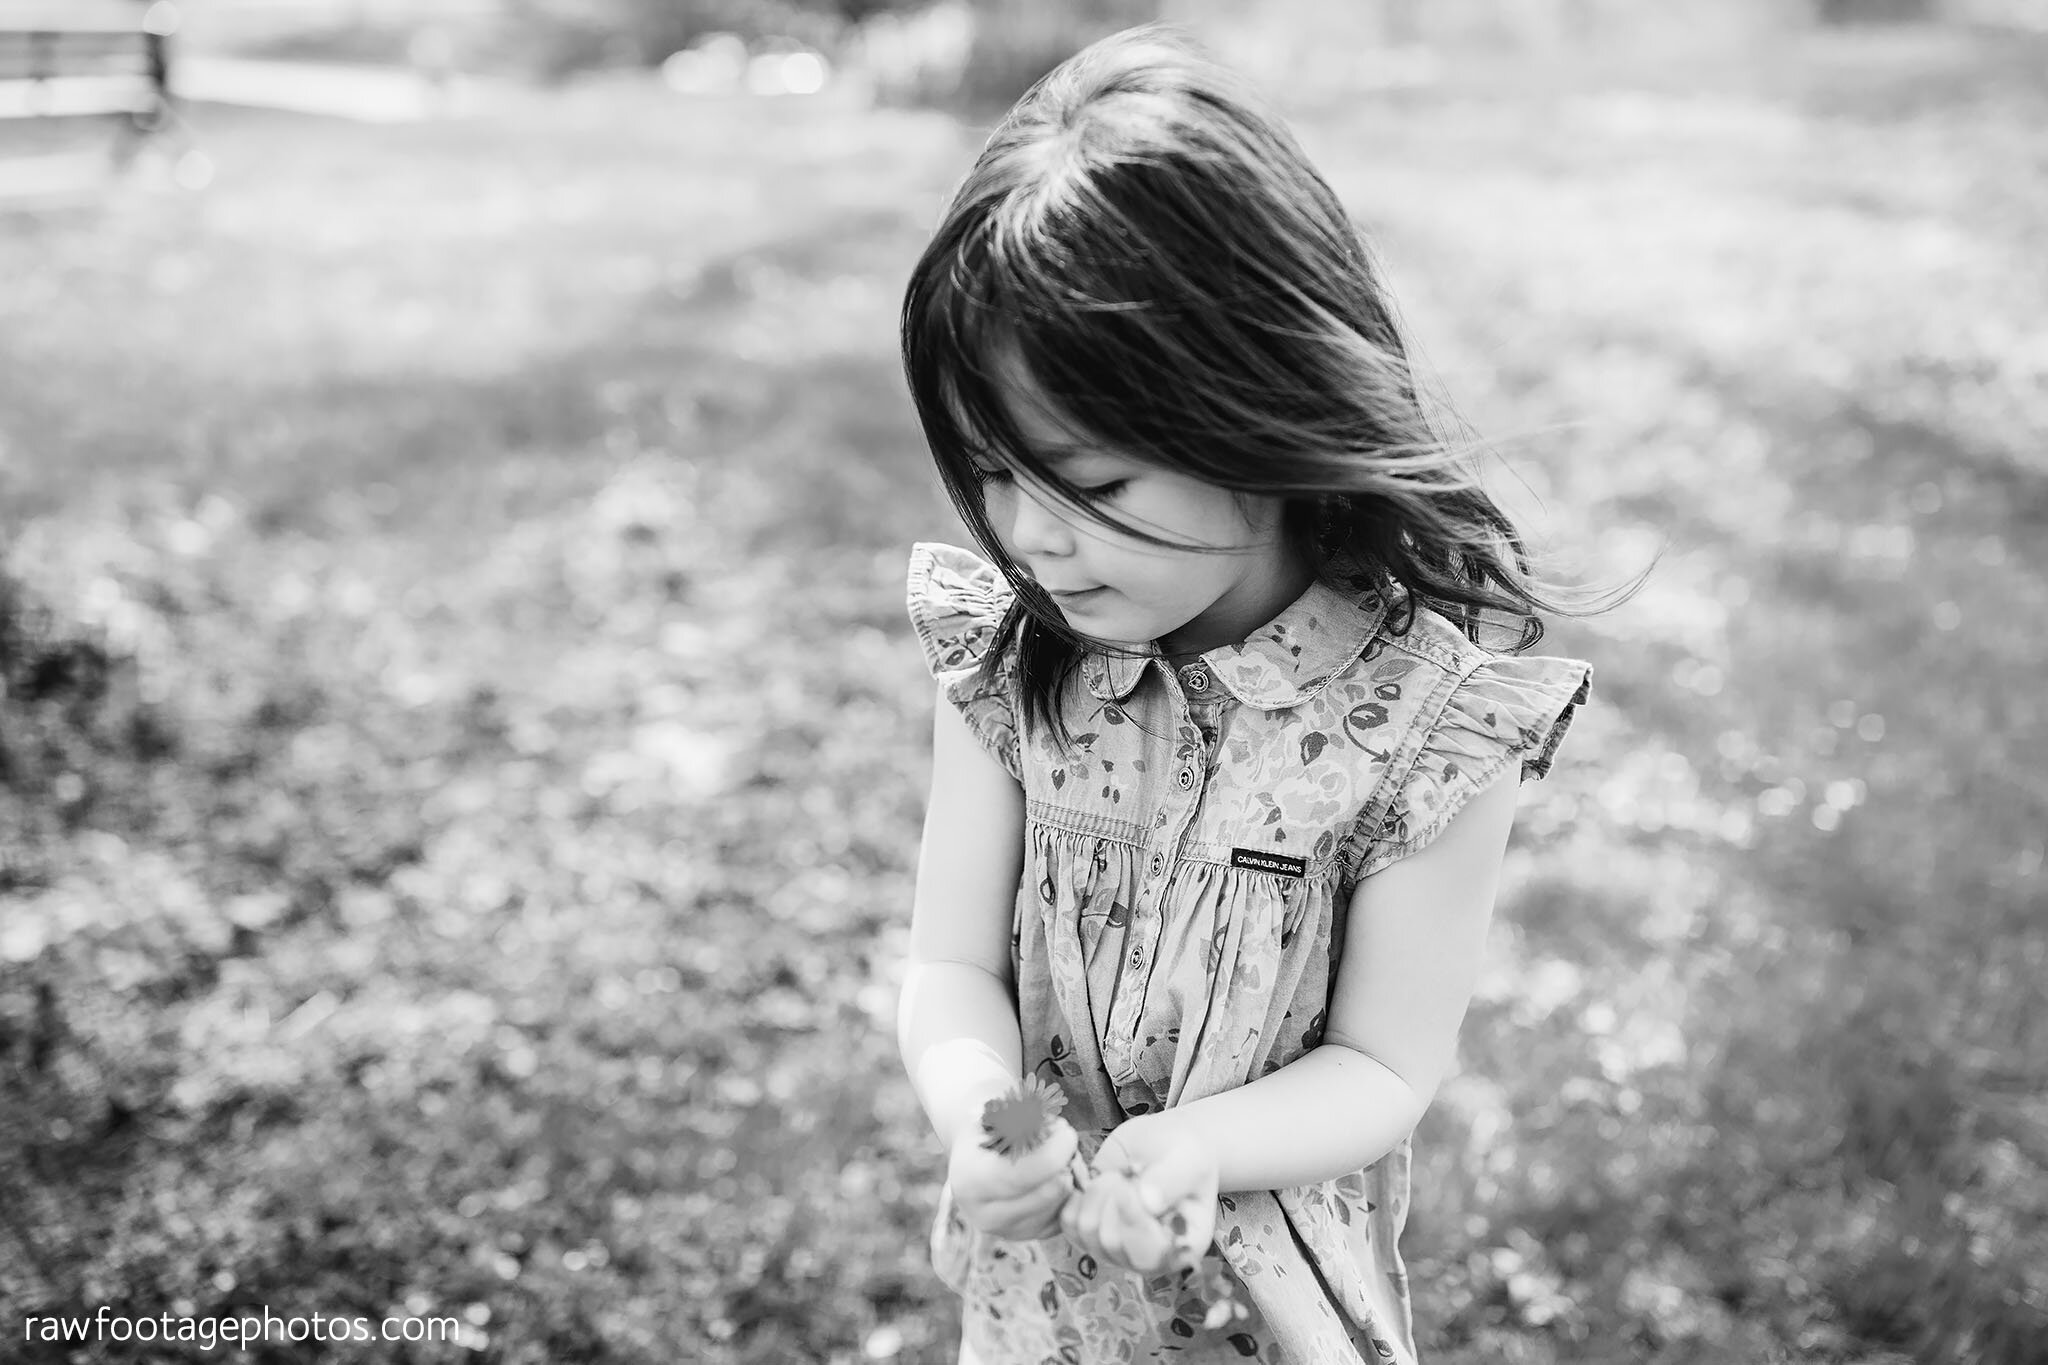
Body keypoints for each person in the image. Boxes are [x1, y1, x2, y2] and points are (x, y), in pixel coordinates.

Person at [896, 26, 1609, 1365]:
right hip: (1046, 1297)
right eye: (993, 475)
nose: (1030, 539)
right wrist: (978, 1108)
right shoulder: (1011, 662)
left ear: (1260, 414)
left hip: (1267, 1294)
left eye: (1093, 488)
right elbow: (950, 965)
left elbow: (1385, 1068)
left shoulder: (1427, 731)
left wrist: (1196, 1147)